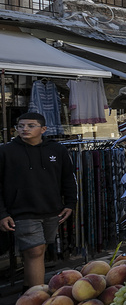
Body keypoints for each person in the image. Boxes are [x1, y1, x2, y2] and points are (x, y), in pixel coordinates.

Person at [0, 113, 76, 292]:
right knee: (34, 251)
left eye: (30, 125)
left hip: (51, 210)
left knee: (38, 252)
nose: (24, 129)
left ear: (43, 129)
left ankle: (28, 292)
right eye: (21, 126)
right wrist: (2, 213)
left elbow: (67, 178)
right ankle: (38, 297)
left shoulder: (57, 150)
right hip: (21, 210)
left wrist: (70, 203)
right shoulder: (5, 151)